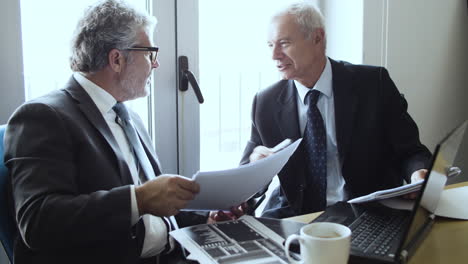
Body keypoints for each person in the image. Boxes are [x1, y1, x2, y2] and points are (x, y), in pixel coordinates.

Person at [3, 0, 201, 263]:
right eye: (150, 53)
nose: (156, 65)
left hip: (170, 255)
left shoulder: (129, 117)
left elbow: (154, 208)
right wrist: (138, 199)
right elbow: (39, 221)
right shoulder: (43, 117)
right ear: (117, 59)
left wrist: (205, 218)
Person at [240, 2, 432, 219]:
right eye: (270, 45)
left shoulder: (373, 84)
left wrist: (418, 174)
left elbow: (411, 151)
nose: (275, 55)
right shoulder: (266, 102)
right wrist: (255, 167)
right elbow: (244, 184)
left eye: (284, 43)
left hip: (365, 212)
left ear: (317, 38)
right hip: (294, 214)